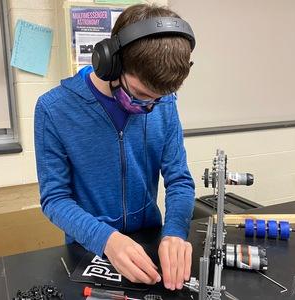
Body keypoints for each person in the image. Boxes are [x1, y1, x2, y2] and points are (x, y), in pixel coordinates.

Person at [34, 4, 196, 291]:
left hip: (149, 240)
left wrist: (175, 232)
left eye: (158, 99)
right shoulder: (54, 109)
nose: (150, 107)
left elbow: (179, 180)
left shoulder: (164, 103)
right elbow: (55, 199)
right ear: (112, 63)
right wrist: (106, 239)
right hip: (88, 247)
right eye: (142, 95)